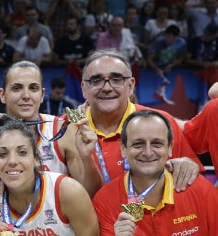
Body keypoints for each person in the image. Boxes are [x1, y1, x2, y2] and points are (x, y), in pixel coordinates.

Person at [63, 50, 200, 196]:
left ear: (130, 86)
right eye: (96, 81)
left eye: (116, 79)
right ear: (84, 88)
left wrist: (188, 166)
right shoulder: (64, 129)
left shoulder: (161, 122)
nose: (107, 88)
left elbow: (194, 184)